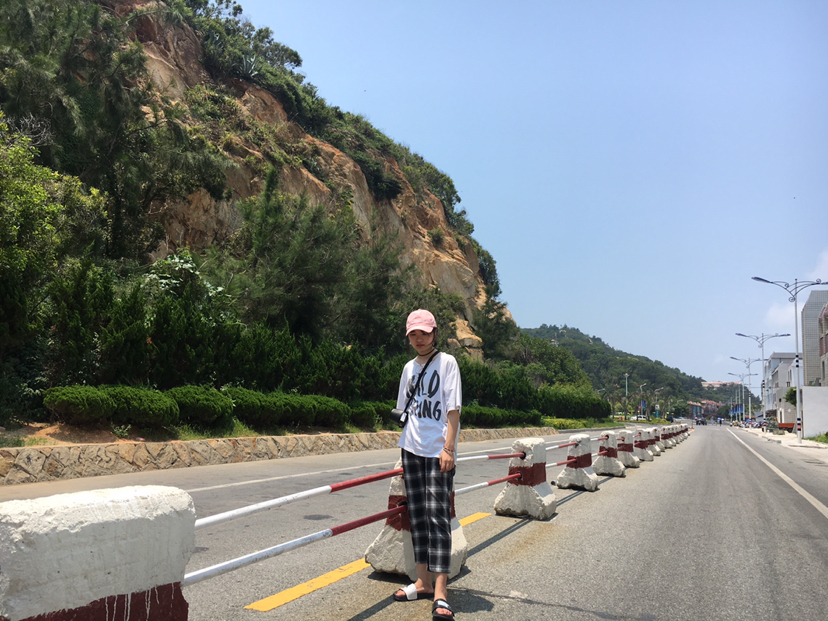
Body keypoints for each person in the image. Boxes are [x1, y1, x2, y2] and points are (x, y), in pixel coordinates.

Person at [392, 309, 462, 621]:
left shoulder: (447, 363)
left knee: (438, 519)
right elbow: (404, 409)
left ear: (434, 332)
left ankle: (441, 592)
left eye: (424, 333)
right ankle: (422, 581)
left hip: (438, 452)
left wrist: (449, 448)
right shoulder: (408, 368)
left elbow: (453, 410)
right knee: (418, 517)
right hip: (411, 448)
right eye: (413, 334)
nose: (419, 339)